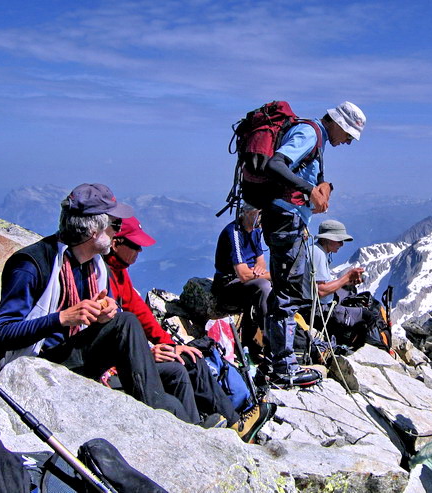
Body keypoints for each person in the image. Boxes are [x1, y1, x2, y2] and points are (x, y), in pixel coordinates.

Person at [0, 184, 194, 423]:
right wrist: (62, 318)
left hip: (75, 352)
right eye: (114, 225)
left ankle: (187, 424)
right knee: (125, 323)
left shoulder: (95, 266)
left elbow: (111, 313)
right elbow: (1, 333)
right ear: (93, 230)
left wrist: (105, 314)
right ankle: (161, 414)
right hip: (41, 363)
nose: (117, 233)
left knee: (176, 370)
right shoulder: (32, 265)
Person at [105, 216, 276, 442]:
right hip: (114, 365)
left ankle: (233, 424)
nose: (139, 252)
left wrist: (170, 344)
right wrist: (145, 354)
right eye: (135, 246)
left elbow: (141, 312)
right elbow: (101, 334)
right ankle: (205, 430)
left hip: (128, 356)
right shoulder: (101, 274)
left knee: (192, 356)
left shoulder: (118, 271)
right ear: (116, 243)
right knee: (182, 368)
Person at [260, 101, 366, 387]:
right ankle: (284, 369)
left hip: (285, 219)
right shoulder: (310, 134)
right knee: (288, 295)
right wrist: (309, 190)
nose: (346, 143)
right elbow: (275, 165)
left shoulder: (315, 137)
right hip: (286, 220)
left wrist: (324, 186)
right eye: (348, 136)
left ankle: (275, 362)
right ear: (339, 124)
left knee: (284, 291)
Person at [303, 220, 382, 350]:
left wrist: (348, 282)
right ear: (327, 239)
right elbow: (320, 291)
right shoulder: (318, 254)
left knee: (349, 290)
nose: (341, 244)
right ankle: (366, 352)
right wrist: (346, 278)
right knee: (369, 316)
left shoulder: (317, 249)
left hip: (315, 304)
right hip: (318, 310)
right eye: (338, 240)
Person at [213, 202, 271, 358]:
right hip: (227, 286)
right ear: (250, 213)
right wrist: (272, 275)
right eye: (260, 213)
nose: (262, 218)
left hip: (245, 283)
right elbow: (243, 275)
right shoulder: (234, 232)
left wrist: (257, 272)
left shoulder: (255, 231)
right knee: (264, 286)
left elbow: (261, 263)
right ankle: (268, 341)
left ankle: (257, 342)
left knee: (265, 285)